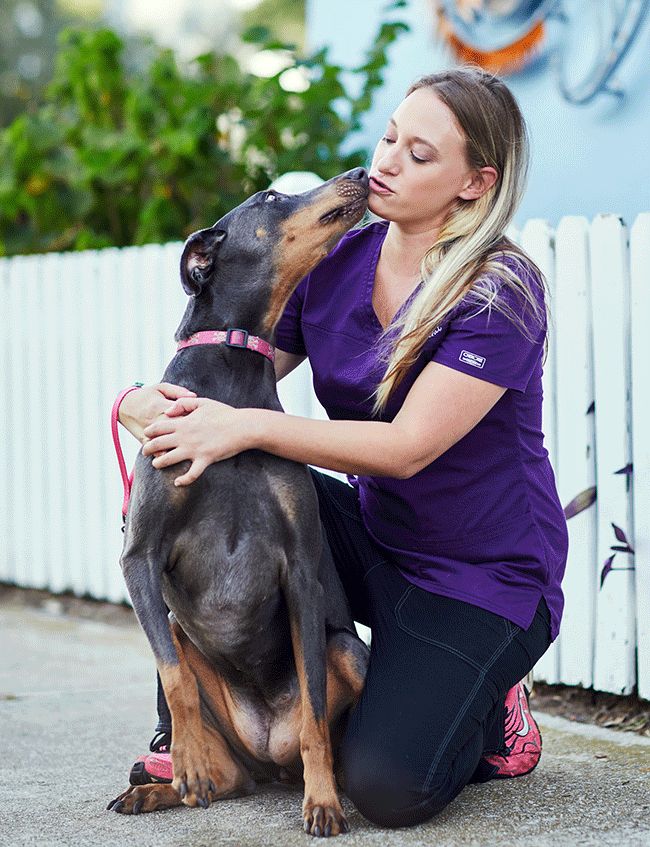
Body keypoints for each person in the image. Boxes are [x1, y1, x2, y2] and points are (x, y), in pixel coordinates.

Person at [118, 65, 568, 828]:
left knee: (387, 787)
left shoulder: (500, 291)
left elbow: (408, 447)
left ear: (474, 183)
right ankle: (187, 723)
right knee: (186, 467)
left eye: (420, 155)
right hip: (371, 541)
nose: (386, 161)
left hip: (481, 578)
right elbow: (226, 365)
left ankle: (491, 712)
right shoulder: (337, 262)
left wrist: (249, 425)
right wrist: (134, 401)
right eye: (390, 136)